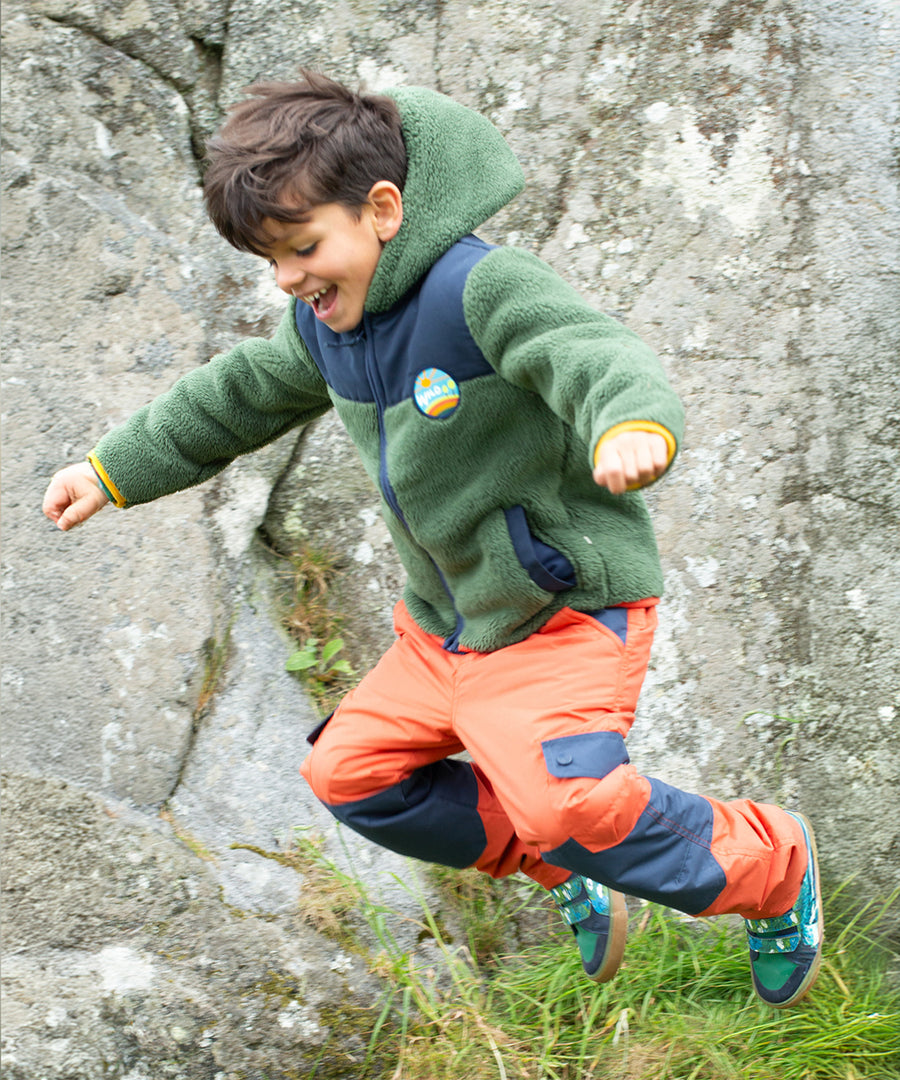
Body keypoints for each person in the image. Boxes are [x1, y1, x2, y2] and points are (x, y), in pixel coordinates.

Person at [42, 71, 823, 1007]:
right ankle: (557, 863)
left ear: (381, 209)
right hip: (443, 633)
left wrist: (631, 424)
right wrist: (112, 468)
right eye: (272, 263)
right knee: (349, 776)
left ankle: (773, 868)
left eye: (301, 249)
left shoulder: (479, 289)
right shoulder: (327, 326)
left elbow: (593, 354)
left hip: (556, 617)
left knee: (571, 802)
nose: (290, 280)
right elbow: (236, 394)